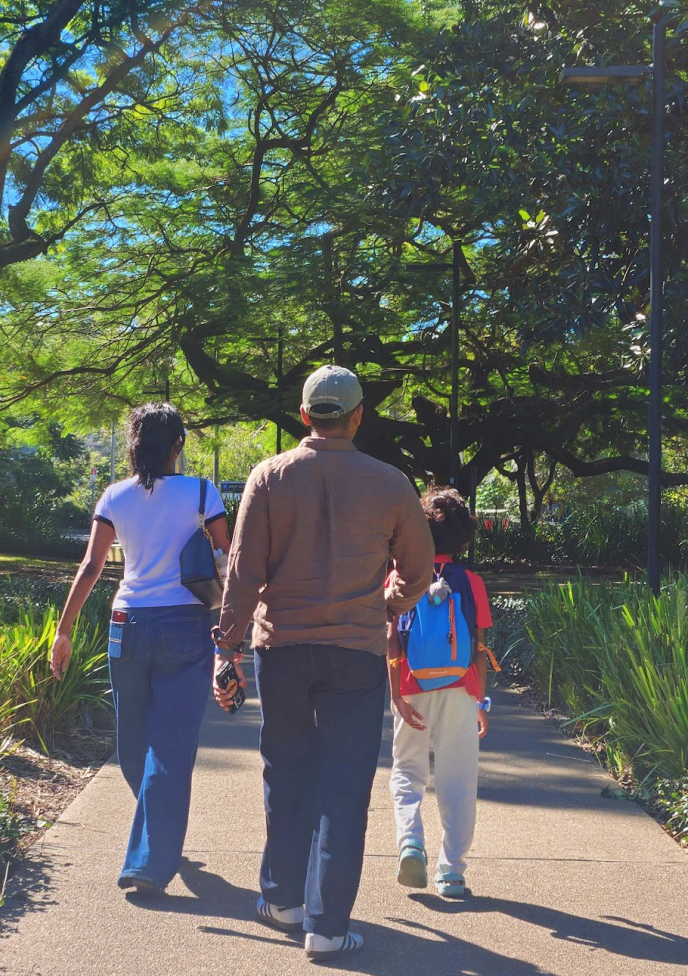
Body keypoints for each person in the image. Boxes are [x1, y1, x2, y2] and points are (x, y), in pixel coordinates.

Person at [212, 364, 434, 960]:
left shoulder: (269, 475)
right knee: (344, 786)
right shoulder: (392, 483)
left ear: (306, 416)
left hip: (280, 647)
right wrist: (390, 601)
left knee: (285, 772)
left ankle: (282, 898)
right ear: (359, 416)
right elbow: (419, 570)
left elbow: (243, 572)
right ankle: (328, 927)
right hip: (355, 654)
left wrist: (226, 648)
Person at [50, 403, 230, 896]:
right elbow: (227, 561)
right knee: (170, 745)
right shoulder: (201, 491)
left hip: (125, 623)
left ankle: (154, 832)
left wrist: (63, 631)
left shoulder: (114, 495)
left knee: (133, 738)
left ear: (134, 445)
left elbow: (91, 566)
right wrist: (231, 633)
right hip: (184, 624)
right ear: (177, 446)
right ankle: (150, 861)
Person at [387, 486, 494, 900]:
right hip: (460, 688)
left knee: (408, 770)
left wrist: (397, 694)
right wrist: (480, 700)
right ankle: (451, 871)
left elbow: (392, 641)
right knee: (458, 779)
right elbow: (479, 648)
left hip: (412, 686)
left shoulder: (400, 576)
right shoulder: (471, 581)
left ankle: (411, 842)